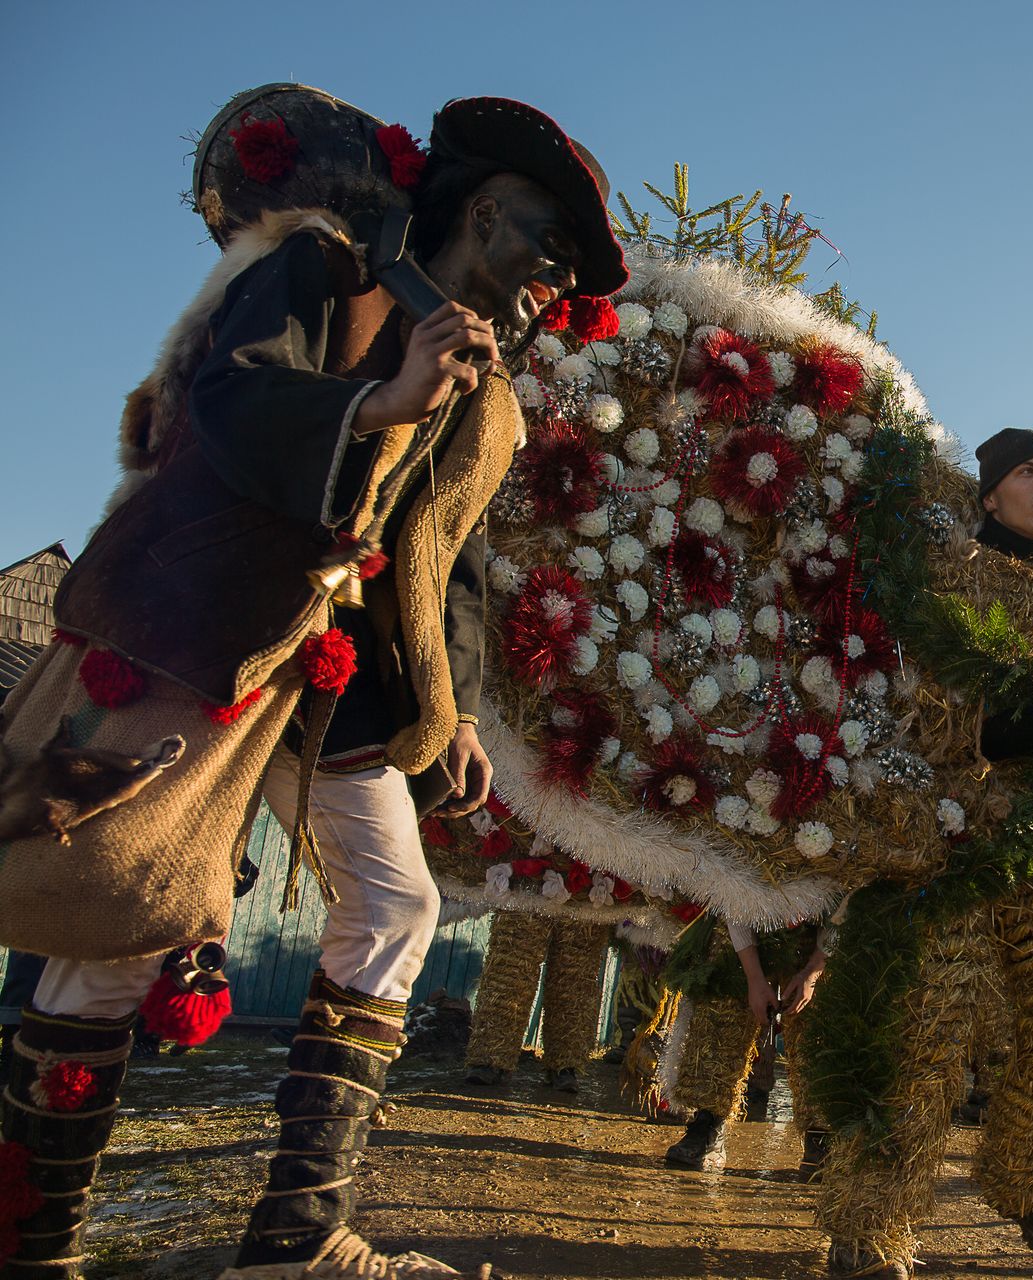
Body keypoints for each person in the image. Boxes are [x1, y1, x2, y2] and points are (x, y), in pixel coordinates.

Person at [0, 91, 625, 1280]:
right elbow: (229, 405)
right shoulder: (319, 271)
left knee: (397, 905)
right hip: (198, 632)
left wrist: (457, 715)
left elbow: (449, 572)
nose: (557, 286)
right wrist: (378, 404)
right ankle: (33, 1245)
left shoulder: (490, 397)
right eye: (550, 250)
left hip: (339, 685)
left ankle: (297, 1238)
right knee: (119, 925)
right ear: (485, 212)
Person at [814, 429, 1033, 1278]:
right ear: (990, 492)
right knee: (928, 1020)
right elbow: (950, 723)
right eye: (1028, 472)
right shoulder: (955, 575)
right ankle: (870, 1224)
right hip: (953, 830)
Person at [662, 915, 829, 1178]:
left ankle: (820, 1134)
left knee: (820, 1015)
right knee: (722, 998)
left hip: (820, 931)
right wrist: (752, 976)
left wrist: (814, 971)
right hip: (750, 920)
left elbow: (848, 905)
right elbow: (734, 898)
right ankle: (708, 1121)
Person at [464, 909, 613, 1093]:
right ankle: (488, 1057)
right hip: (526, 890)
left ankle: (564, 1065)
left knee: (575, 977)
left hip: (586, 899)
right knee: (510, 969)